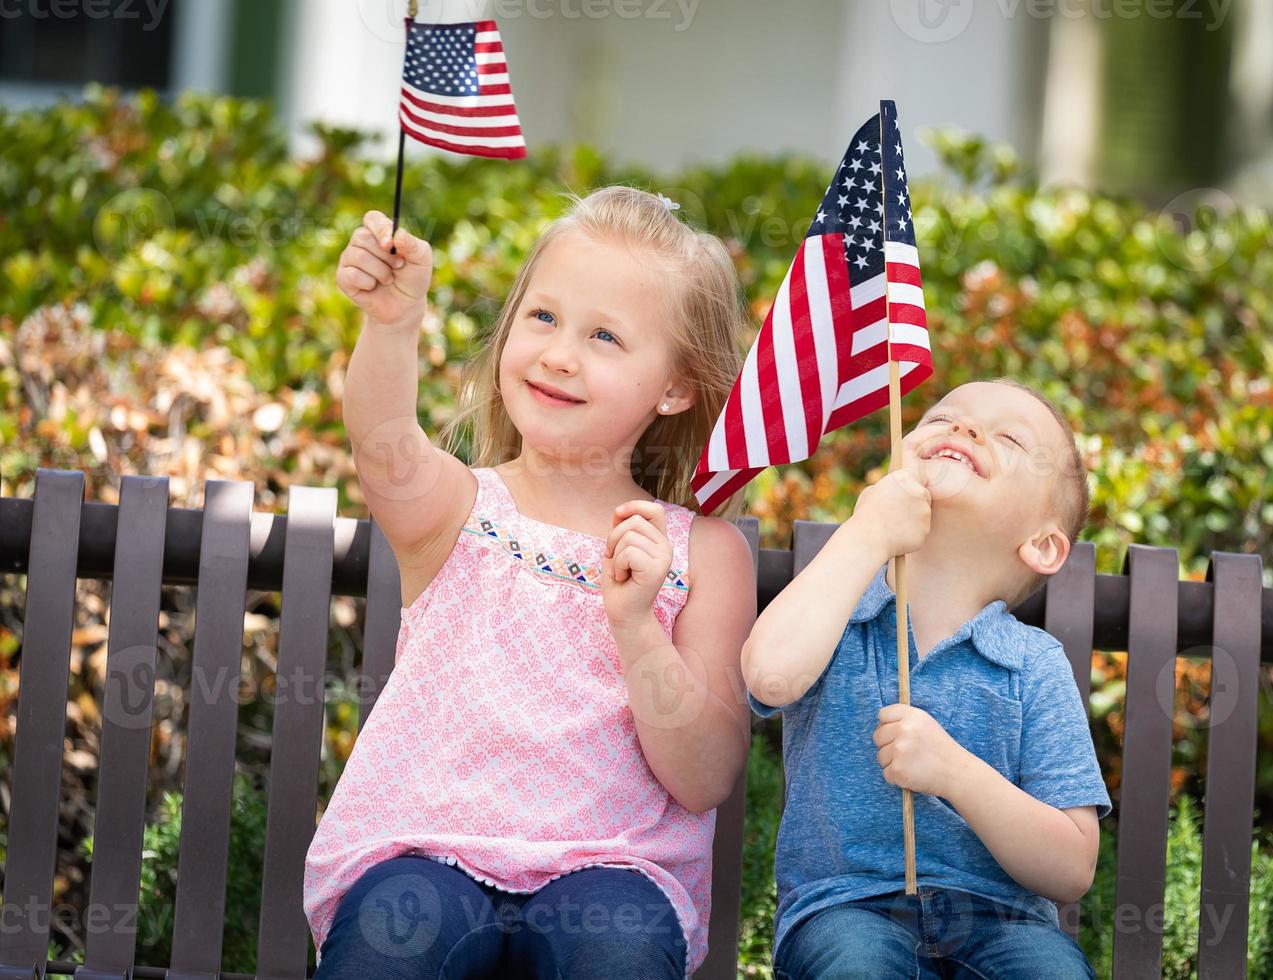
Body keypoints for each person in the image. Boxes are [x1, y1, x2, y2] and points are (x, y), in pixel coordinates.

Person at [304, 186, 756, 979]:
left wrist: (637, 626)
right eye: (542, 318)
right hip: (427, 848)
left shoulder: (702, 554)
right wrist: (392, 322)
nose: (558, 353)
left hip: (613, 868)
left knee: (615, 951)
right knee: (388, 941)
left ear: (676, 385)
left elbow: (704, 777)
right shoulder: (458, 508)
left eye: (605, 336)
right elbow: (383, 443)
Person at [743, 379, 1111, 979]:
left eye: (1008, 438)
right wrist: (866, 533)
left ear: (1042, 546)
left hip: (1004, 921)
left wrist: (955, 773)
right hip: (847, 910)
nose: (963, 429)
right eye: (943, 418)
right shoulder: (839, 612)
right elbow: (770, 678)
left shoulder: (1033, 665)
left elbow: (1071, 869)